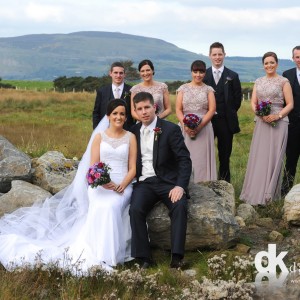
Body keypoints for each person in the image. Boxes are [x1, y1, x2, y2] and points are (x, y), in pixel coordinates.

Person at [0, 100, 137, 274]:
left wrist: (122, 184)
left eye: (122, 114)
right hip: (101, 185)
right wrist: (103, 182)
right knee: (101, 204)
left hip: (123, 185)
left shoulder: (130, 137)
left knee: (110, 206)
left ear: (126, 117)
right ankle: (97, 252)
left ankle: (110, 256)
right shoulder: (99, 137)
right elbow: (94, 166)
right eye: (115, 113)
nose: (119, 117)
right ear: (109, 116)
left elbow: (133, 168)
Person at [129, 91, 192, 269]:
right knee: (135, 210)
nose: (144, 112)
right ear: (135, 111)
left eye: (147, 107)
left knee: (179, 206)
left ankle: (177, 257)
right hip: (144, 183)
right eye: (139, 109)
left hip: (168, 182)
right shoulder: (132, 132)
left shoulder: (170, 129)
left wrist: (180, 186)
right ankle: (144, 258)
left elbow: (184, 160)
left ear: (154, 107)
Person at [240, 52, 293, 206]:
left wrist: (278, 116)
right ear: (263, 65)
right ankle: (255, 193)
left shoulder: (284, 81)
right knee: (260, 157)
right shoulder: (258, 81)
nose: (269, 65)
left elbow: (290, 104)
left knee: (274, 158)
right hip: (262, 122)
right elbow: (253, 102)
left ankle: (270, 196)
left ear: (276, 63)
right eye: (266, 63)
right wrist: (260, 114)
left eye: (272, 62)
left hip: (279, 122)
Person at [203, 42, 242, 183]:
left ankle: (224, 186)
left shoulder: (233, 75)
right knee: (206, 154)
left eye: (220, 54)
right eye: (214, 54)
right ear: (209, 56)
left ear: (224, 55)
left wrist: (229, 112)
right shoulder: (203, 75)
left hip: (226, 122)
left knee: (225, 156)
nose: (217, 57)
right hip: (207, 122)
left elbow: (237, 99)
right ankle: (206, 182)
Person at [176, 60, 217, 182]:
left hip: (204, 128)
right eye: (195, 71)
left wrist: (199, 126)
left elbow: (212, 109)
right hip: (185, 129)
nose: (198, 75)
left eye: (201, 72)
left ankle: (204, 185)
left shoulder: (208, 90)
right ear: (191, 72)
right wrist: (186, 126)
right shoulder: (183, 89)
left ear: (205, 73)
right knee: (185, 157)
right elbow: (178, 110)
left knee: (202, 159)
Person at [93, 61, 134, 130]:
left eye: (121, 73)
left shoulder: (132, 91)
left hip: (127, 131)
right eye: (115, 72)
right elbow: (96, 113)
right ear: (110, 73)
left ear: (124, 74)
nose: (118, 75)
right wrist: (97, 130)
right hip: (105, 131)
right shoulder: (102, 91)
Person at [281, 46, 300, 196]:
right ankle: (285, 193)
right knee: (291, 160)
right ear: (293, 58)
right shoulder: (287, 75)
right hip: (292, 125)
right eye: (297, 57)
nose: (299, 60)